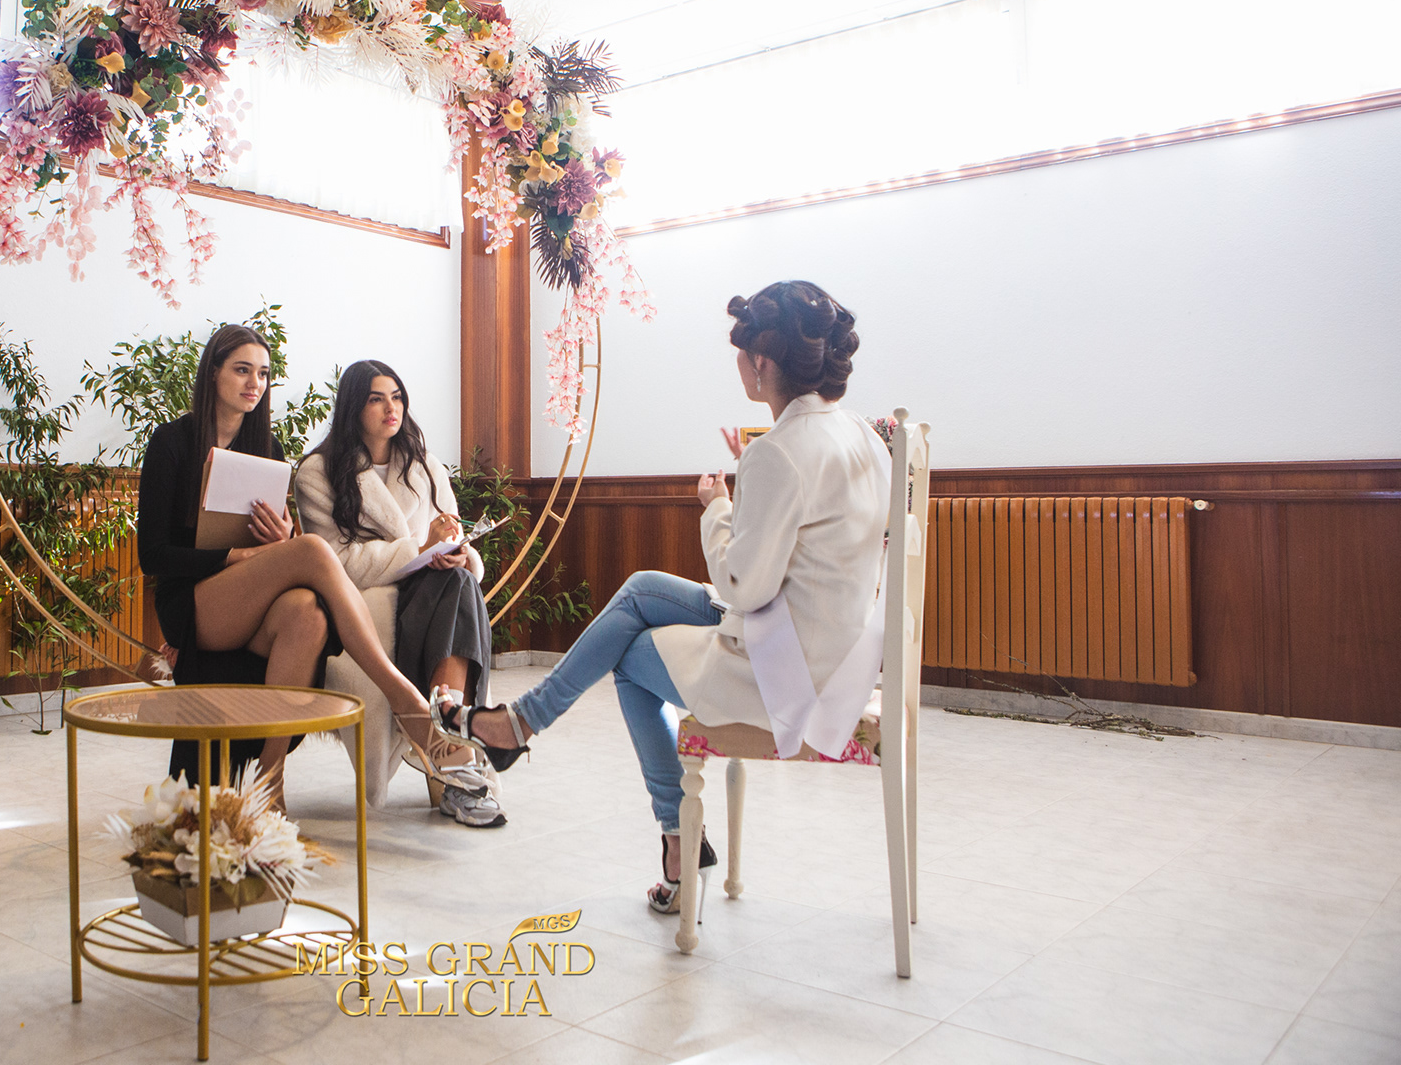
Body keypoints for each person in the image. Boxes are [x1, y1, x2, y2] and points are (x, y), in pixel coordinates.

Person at [432, 281, 891, 912]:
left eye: (740, 352)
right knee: (642, 589)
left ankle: (675, 834)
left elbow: (744, 586)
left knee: (628, 660)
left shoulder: (780, 452)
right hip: (839, 649)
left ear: (761, 361)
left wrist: (718, 507)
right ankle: (519, 724)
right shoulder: (863, 435)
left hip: (787, 670)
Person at [135, 323, 472, 804]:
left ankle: (269, 778)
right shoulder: (171, 442)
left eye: (263, 373)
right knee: (313, 550)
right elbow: (152, 555)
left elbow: (276, 551)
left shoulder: (267, 451)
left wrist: (282, 541)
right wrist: (243, 554)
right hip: (193, 602)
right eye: (242, 370)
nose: (255, 383)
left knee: (307, 613)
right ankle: (406, 699)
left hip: (251, 597)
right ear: (213, 374)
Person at [296, 361, 503, 828]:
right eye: (376, 399)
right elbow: (336, 562)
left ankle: (447, 745)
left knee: (461, 581)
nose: (392, 408)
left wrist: (457, 552)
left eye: (397, 396)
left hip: (438, 588)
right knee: (457, 593)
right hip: (367, 601)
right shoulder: (318, 472)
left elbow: (453, 533)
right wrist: (419, 549)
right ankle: (454, 754)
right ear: (353, 407)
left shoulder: (425, 466)